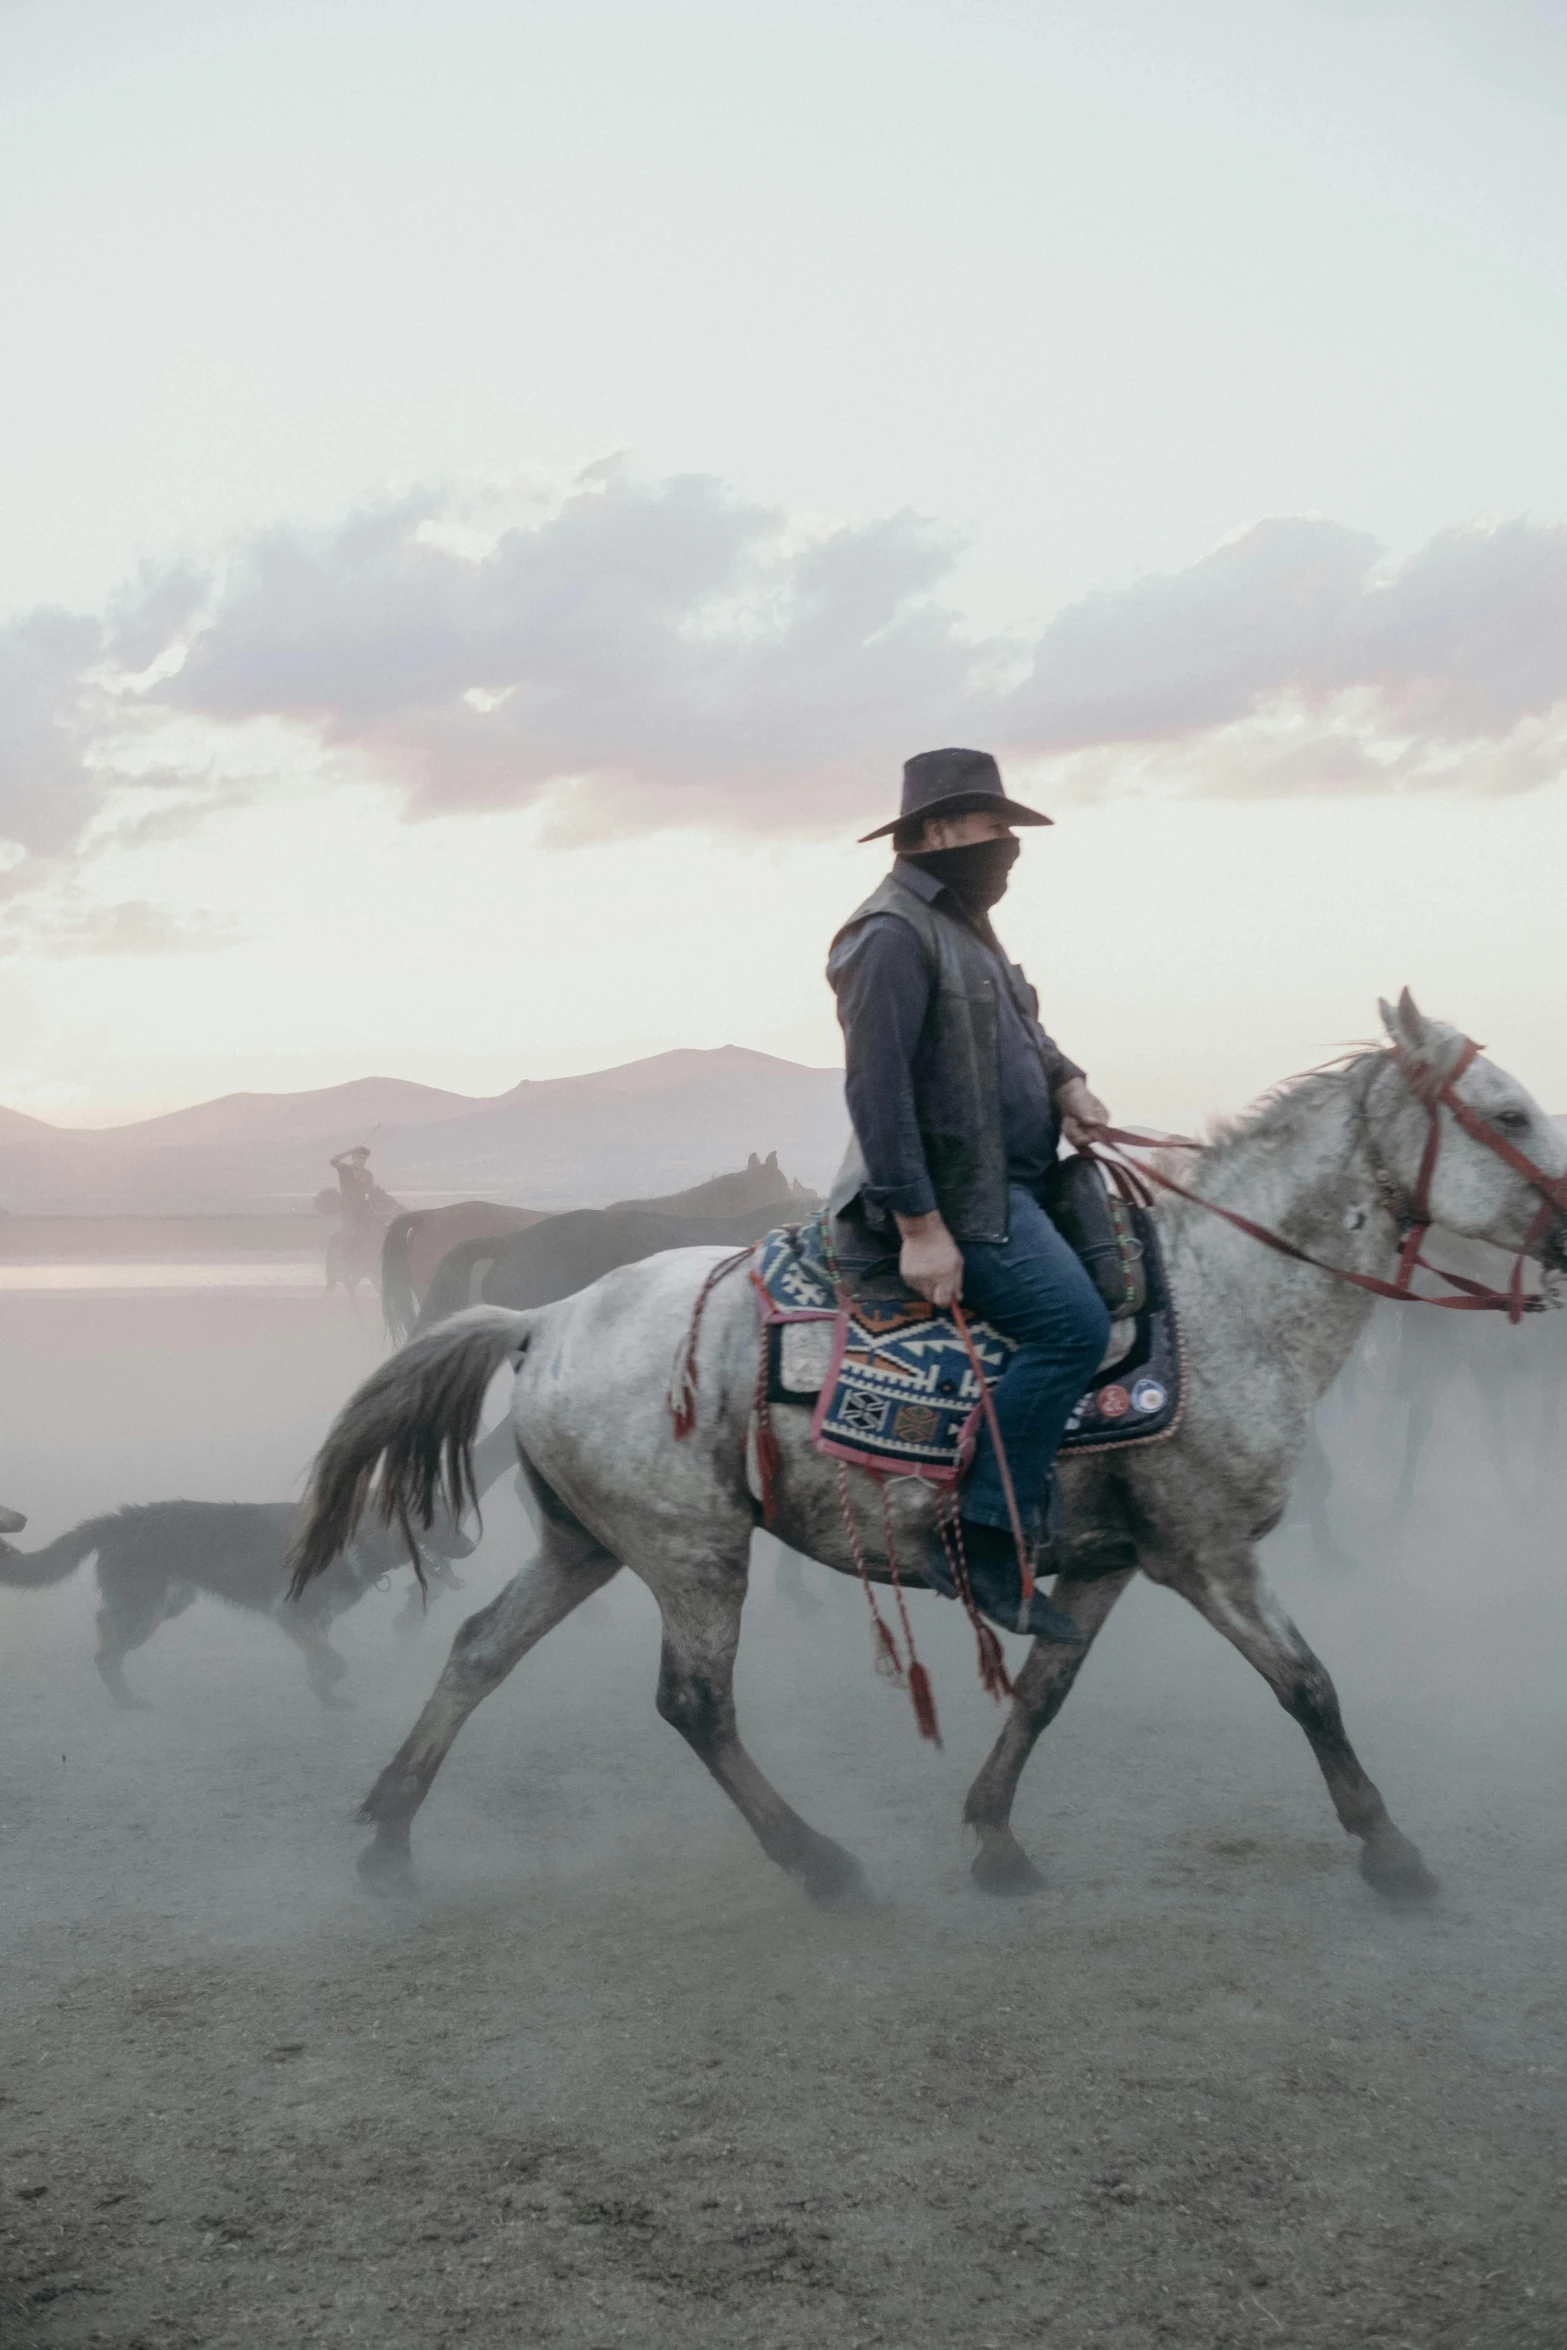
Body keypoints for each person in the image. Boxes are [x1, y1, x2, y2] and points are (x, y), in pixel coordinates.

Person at [826, 747, 1134, 1641]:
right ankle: (982, 1540)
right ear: (933, 832)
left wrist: (1068, 1083)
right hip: (961, 1198)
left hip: (1019, 1178)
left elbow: (1022, 1029)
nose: (1006, 845)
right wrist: (920, 1226)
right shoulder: (886, 934)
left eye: (1006, 827)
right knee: (1070, 1325)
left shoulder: (965, 925)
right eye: (990, 826)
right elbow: (875, 1090)